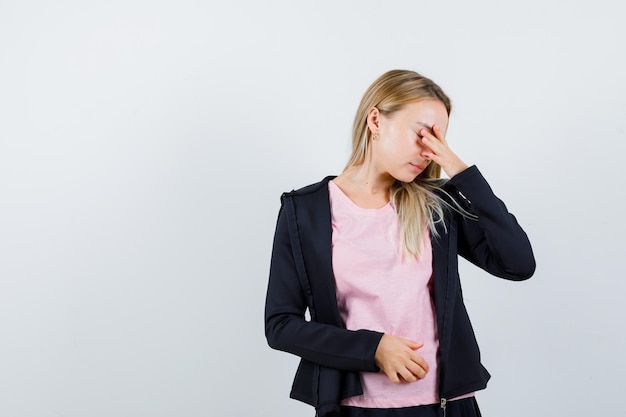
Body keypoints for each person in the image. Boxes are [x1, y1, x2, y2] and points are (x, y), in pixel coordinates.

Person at [264, 69, 535, 417]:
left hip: (446, 406)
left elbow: (518, 264)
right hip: (355, 409)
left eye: (439, 138)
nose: (429, 150)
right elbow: (281, 325)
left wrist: (458, 170)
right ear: (375, 120)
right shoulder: (305, 211)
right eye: (422, 133)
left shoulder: (438, 205)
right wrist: (373, 348)